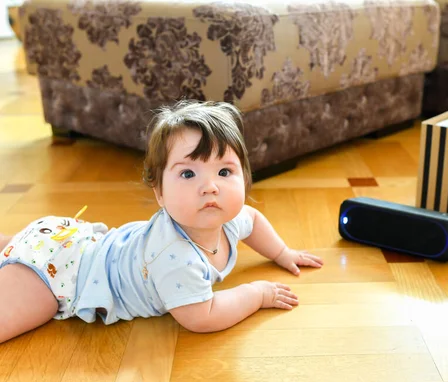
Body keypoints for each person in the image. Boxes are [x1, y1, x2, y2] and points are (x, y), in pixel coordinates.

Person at [0, 100, 324, 344]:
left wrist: (282, 252)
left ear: (245, 177)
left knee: (23, 244)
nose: (210, 186)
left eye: (224, 172)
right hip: (61, 274)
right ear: (159, 193)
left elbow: (252, 220)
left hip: (70, 239)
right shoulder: (175, 256)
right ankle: (20, 255)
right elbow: (202, 316)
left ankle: (16, 245)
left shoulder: (229, 219)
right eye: (188, 173)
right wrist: (258, 294)